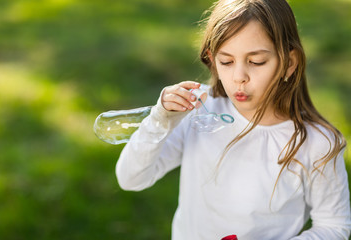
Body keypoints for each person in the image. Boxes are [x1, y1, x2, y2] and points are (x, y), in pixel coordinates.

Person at [115, 0, 351, 239]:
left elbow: (334, 226)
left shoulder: (317, 144)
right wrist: (161, 120)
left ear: (289, 63)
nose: (239, 77)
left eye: (256, 61)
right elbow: (131, 178)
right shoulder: (199, 111)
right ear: (212, 58)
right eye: (226, 61)